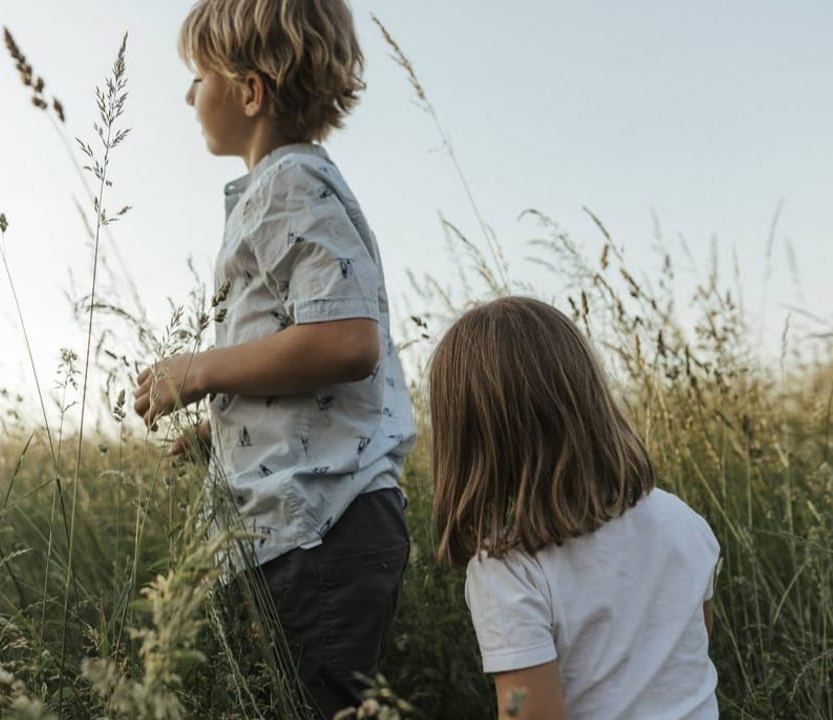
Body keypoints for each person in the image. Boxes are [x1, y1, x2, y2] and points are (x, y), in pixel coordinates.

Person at [132, 1, 415, 715]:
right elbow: (296, 354)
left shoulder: (291, 185)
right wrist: (221, 429)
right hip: (301, 525)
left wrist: (201, 371)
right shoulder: (280, 190)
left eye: (198, 77)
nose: (189, 95)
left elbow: (345, 341)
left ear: (250, 91)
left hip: (322, 525)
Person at [429, 296, 719, 719]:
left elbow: (526, 713)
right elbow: (688, 655)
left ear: (471, 440)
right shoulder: (683, 520)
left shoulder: (508, 569)